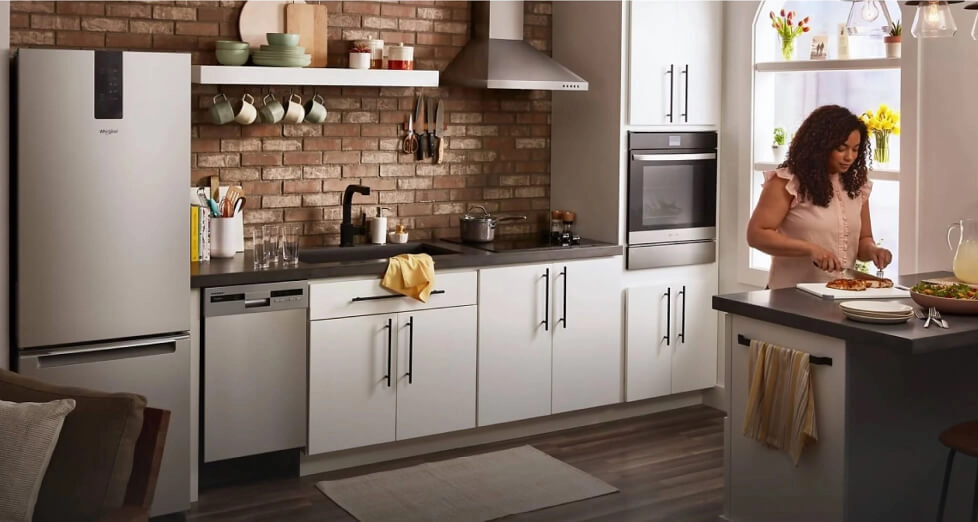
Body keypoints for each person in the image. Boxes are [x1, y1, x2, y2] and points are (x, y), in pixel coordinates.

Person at [747, 104, 893, 289]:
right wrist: (810, 249)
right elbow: (756, 235)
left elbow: (863, 240)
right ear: (820, 147)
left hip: (841, 295)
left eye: (855, 149)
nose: (849, 156)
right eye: (841, 148)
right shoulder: (787, 182)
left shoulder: (857, 186)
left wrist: (873, 250)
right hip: (790, 296)